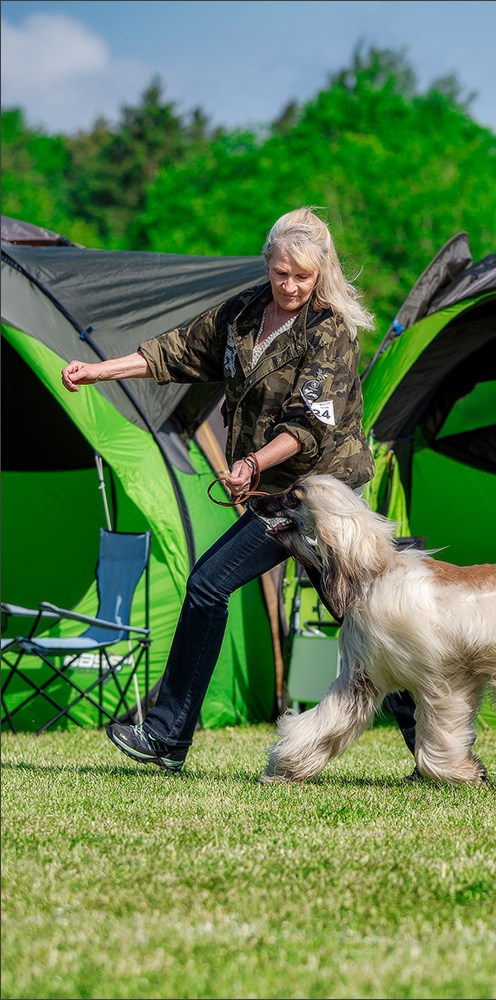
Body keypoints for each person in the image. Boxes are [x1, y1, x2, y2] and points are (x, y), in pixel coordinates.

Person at [61, 207, 418, 773]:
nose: (290, 285)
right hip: (272, 492)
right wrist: (98, 371)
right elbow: (176, 350)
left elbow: (309, 425)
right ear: (269, 264)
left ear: (320, 271)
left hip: (320, 497)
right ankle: (167, 736)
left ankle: (435, 750)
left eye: (302, 276)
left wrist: (252, 463)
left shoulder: (330, 329)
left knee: (362, 616)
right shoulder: (245, 312)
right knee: (351, 613)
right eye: (281, 273)